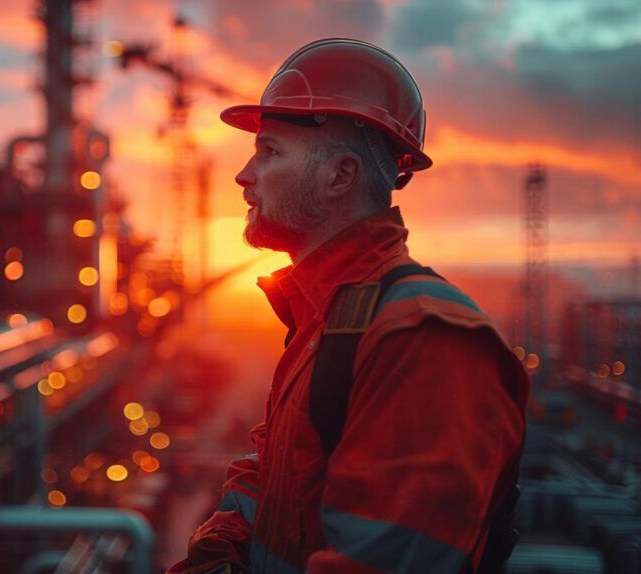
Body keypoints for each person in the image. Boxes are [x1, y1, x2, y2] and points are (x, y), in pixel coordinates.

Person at [168, 39, 530, 573]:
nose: (244, 175)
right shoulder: (327, 319)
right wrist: (217, 556)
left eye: (270, 152)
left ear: (340, 176)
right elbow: (270, 479)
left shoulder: (423, 339)